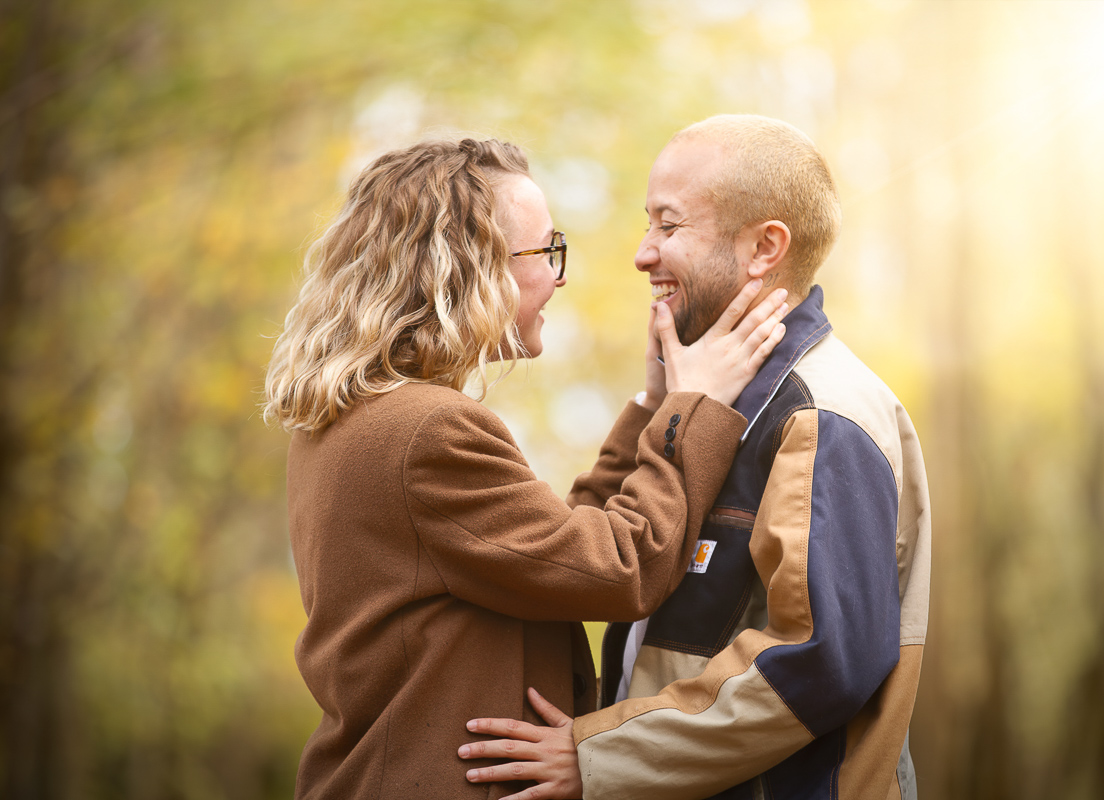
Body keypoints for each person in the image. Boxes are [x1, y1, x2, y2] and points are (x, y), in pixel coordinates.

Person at [262, 137, 790, 799]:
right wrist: (698, 405)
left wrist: (653, 405)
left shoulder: (359, 420)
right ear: (470, 268)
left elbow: (555, 550)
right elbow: (620, 566)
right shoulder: (427, 429)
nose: (560, 276)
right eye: (547, 251)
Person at [460, 116, 932, 800]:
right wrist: (662, 408)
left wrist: (598, 758)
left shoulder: (822, 412)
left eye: (668, 226)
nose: (642, 254)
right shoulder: (707, 400)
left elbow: (822, 660)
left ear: (765, 247)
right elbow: (599, 557)